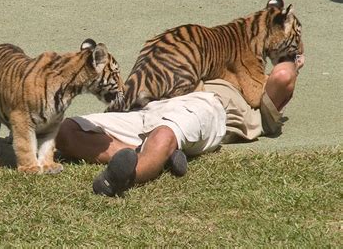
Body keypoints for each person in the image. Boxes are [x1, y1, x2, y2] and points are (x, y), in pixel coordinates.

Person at [55, 56, 305, 197]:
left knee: (164, 135)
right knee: (66, 130)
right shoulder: (215, 66)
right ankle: (154, 154)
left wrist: (291, 57)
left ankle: (121, 178)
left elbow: (283, 76)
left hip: (207, 109)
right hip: (152, 108)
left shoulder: (260, 108)